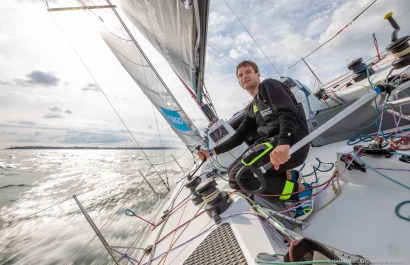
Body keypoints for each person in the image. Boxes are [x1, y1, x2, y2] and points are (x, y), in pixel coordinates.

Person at [196, 60, 313, 220]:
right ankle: (288, 177)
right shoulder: (253, 107)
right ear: (239, 82)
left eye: (248, 72)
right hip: (272, 143)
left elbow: (287, 111)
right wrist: (211, 152)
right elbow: (239, 136)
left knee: (239, 177)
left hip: (291, 142)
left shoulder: (268, 86)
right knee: (232, 170)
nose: (244, 76)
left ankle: (300, 191)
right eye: (240, 75)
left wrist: (284, 142)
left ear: (257, 74)